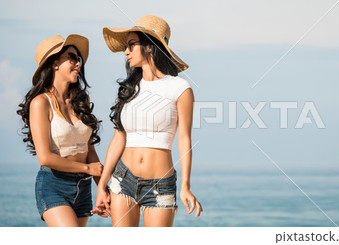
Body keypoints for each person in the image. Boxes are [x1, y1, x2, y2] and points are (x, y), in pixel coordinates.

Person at [93, 15, 203, 227]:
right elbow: (118, 139)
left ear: (150, 47)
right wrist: (101, 185)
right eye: (126, 46)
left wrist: (186, 186)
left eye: (131, 45)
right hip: (122, 180)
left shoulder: (180, 88)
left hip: (160, 185)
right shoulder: (127, 90)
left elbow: (184, 140)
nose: (126, 52)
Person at [17, 34, 103, 226]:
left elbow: (89, 150)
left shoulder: (82, 102)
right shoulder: (40, 103)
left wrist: (102, 189)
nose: (78, 64)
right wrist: (87, 169)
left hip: (83, 187)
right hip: (54, 185)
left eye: (78, 59)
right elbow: (45, 157)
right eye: (72, 57)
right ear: (54, 64)